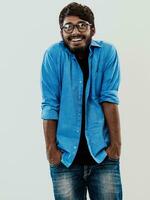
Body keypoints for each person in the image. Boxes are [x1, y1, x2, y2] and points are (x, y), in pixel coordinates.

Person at [40, 2, 122, 200]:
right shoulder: (53, 55)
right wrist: (51, 151)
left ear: (92, 29)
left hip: (102, 156)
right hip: (65, 159)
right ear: (61, 31)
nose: (74, 32)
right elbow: (50, 104)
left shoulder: (107, 53)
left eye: (81, 25)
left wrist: (116, 146)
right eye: (68, 26)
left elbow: (109, 98)